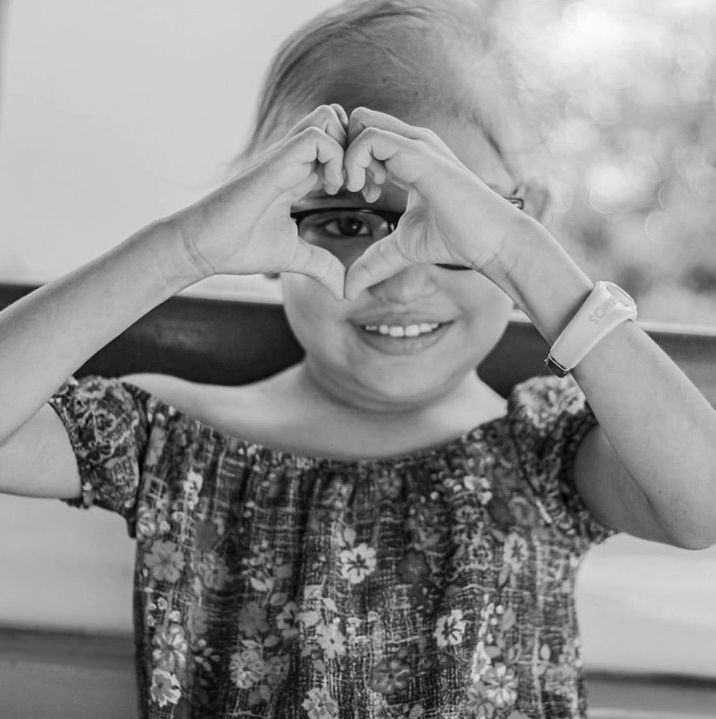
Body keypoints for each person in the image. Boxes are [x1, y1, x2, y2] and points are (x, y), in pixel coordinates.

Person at [1, 1, 715, 717]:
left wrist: (518, 253)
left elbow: (702, 504)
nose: (401, 277)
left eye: (451, 224)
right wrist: (184, 250)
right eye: (345, 222)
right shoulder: (176, 442)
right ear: (262, 215)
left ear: (525, 219)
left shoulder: (544, 450)